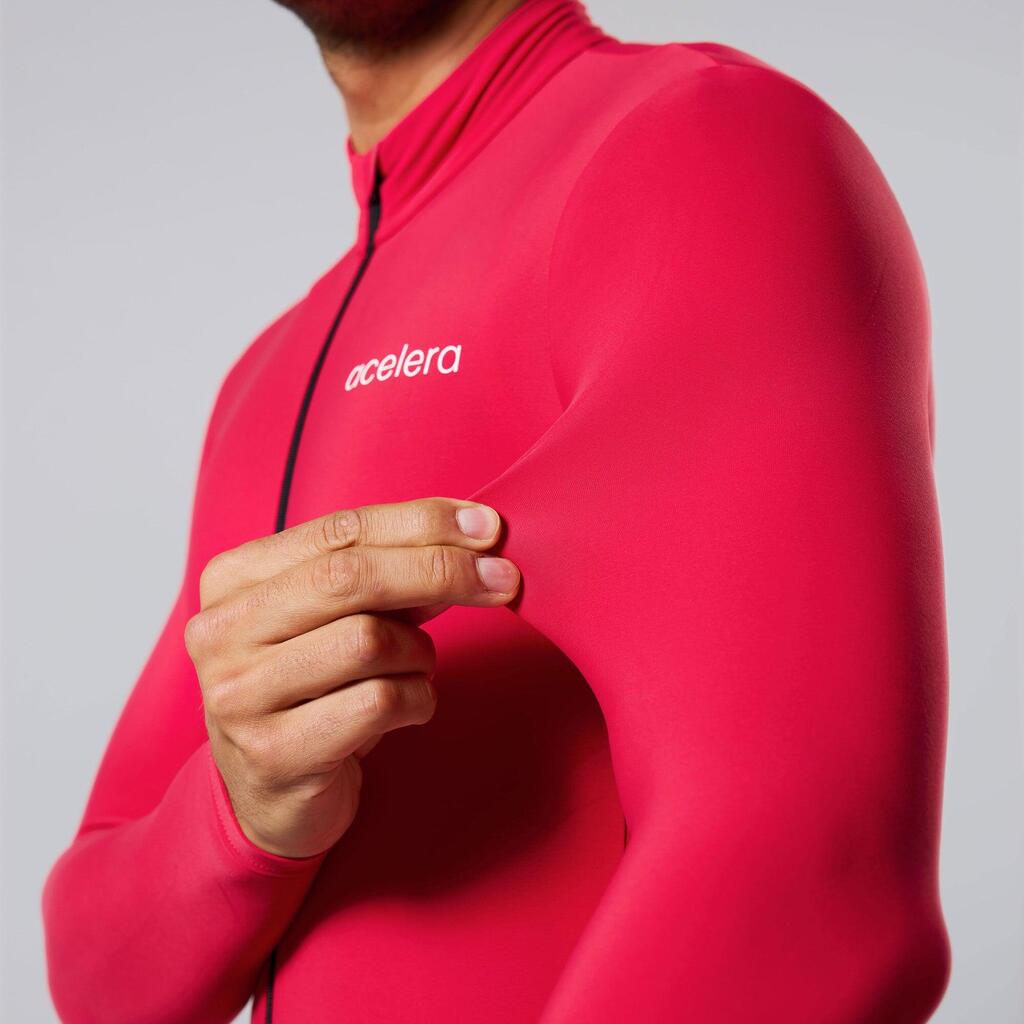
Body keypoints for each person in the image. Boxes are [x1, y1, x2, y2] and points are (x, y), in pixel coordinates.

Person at [41, 0, 953, 1021]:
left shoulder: (701, 147)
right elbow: (100, 979)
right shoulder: (261, 381)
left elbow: (809, 883)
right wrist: (241, 815)